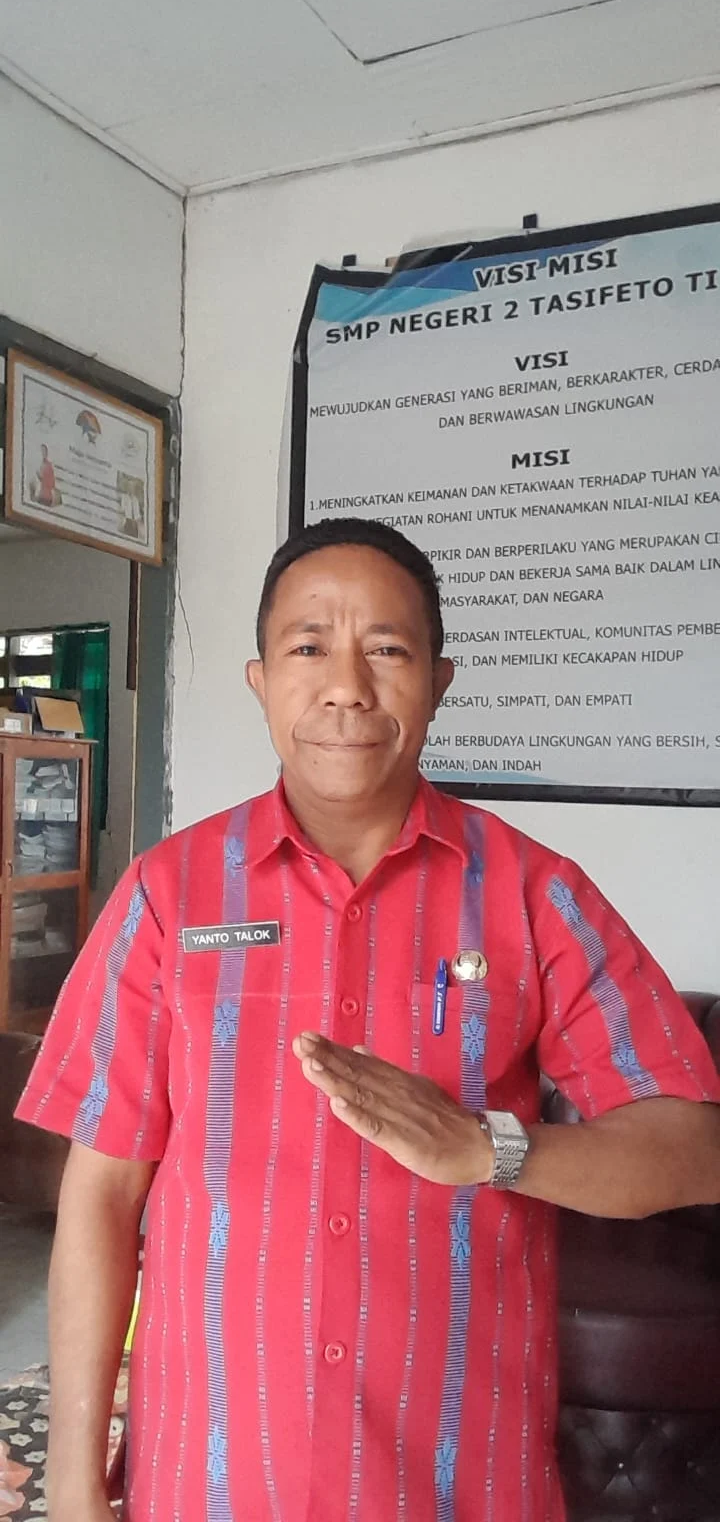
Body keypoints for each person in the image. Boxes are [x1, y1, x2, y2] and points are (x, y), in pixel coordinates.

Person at [16, 517, 720, 1522]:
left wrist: (487, 1149)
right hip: (216, 1471)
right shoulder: (166, 896)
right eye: (309, 647)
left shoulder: (534, 894)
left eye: (387, 649)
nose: (346, 685)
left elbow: (694, 1149)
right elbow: (100, 1196)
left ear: (438, 681)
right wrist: (75, 1481)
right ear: (262, 680)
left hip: (457, 1476)